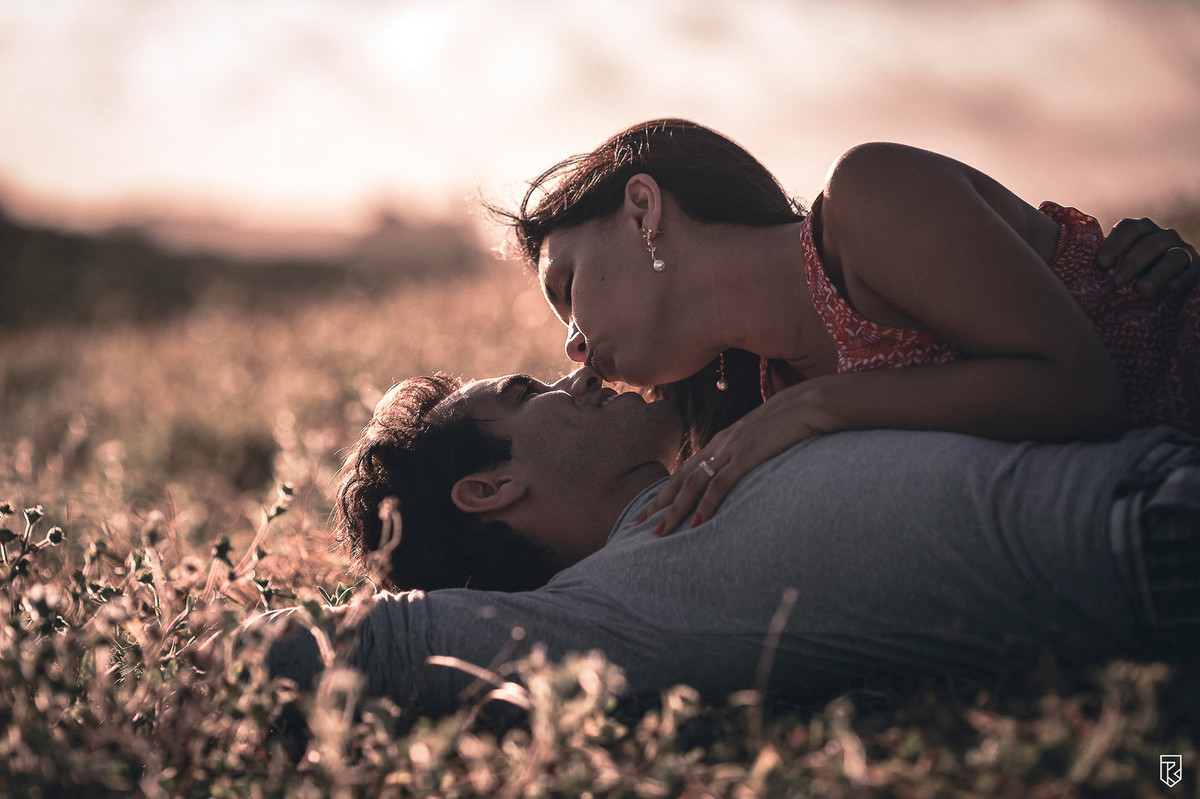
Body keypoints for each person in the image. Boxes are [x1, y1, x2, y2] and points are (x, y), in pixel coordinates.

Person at [266, 367, 1200, 716]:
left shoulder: (734, 428)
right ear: (493, 487)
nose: (578, 373)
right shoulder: (615, 605)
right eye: (527, 390)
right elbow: (361, 645)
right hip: (1154, 541)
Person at [491, 119, 1200, 534]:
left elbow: (1082, 390)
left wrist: (818, 408)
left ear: (643, 209)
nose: (572, 343)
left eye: (568, 288)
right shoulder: (764, 406)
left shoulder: (869, 196)